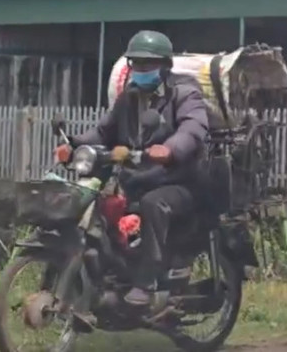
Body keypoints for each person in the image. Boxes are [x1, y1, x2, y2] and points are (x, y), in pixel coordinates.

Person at [55, 30, 210, 308]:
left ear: (165, 66)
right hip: (139, 180)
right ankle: (113, 273)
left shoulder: (185, 93)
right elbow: (104, 132)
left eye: (148, 64)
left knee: (153, 203)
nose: (140, 69)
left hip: (180, 182)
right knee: (102, 206)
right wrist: (74, 144)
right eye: (136, 63)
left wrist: (170, 149)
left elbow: (193, 128)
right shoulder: (129, 97)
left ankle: (147, 282)